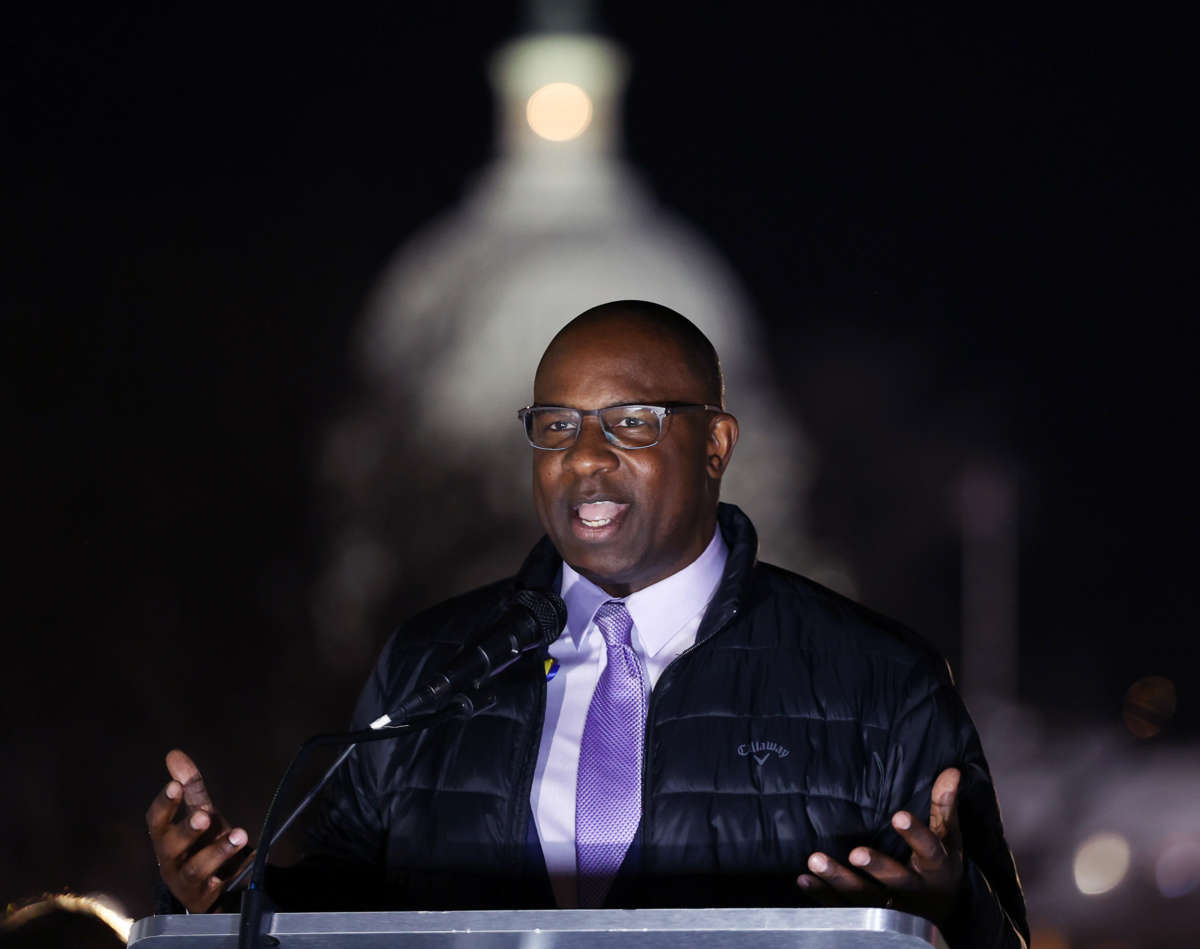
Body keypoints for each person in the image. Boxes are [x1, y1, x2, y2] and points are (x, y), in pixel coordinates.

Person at [147, 301, 1029, 947]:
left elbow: (1004, 937)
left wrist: (952, 910)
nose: (584, 456)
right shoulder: (433, 661)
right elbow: (337, 920)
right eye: (557, 424)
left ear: (717, 444)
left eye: (632, 422)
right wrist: (229, 897)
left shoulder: (878, 678)